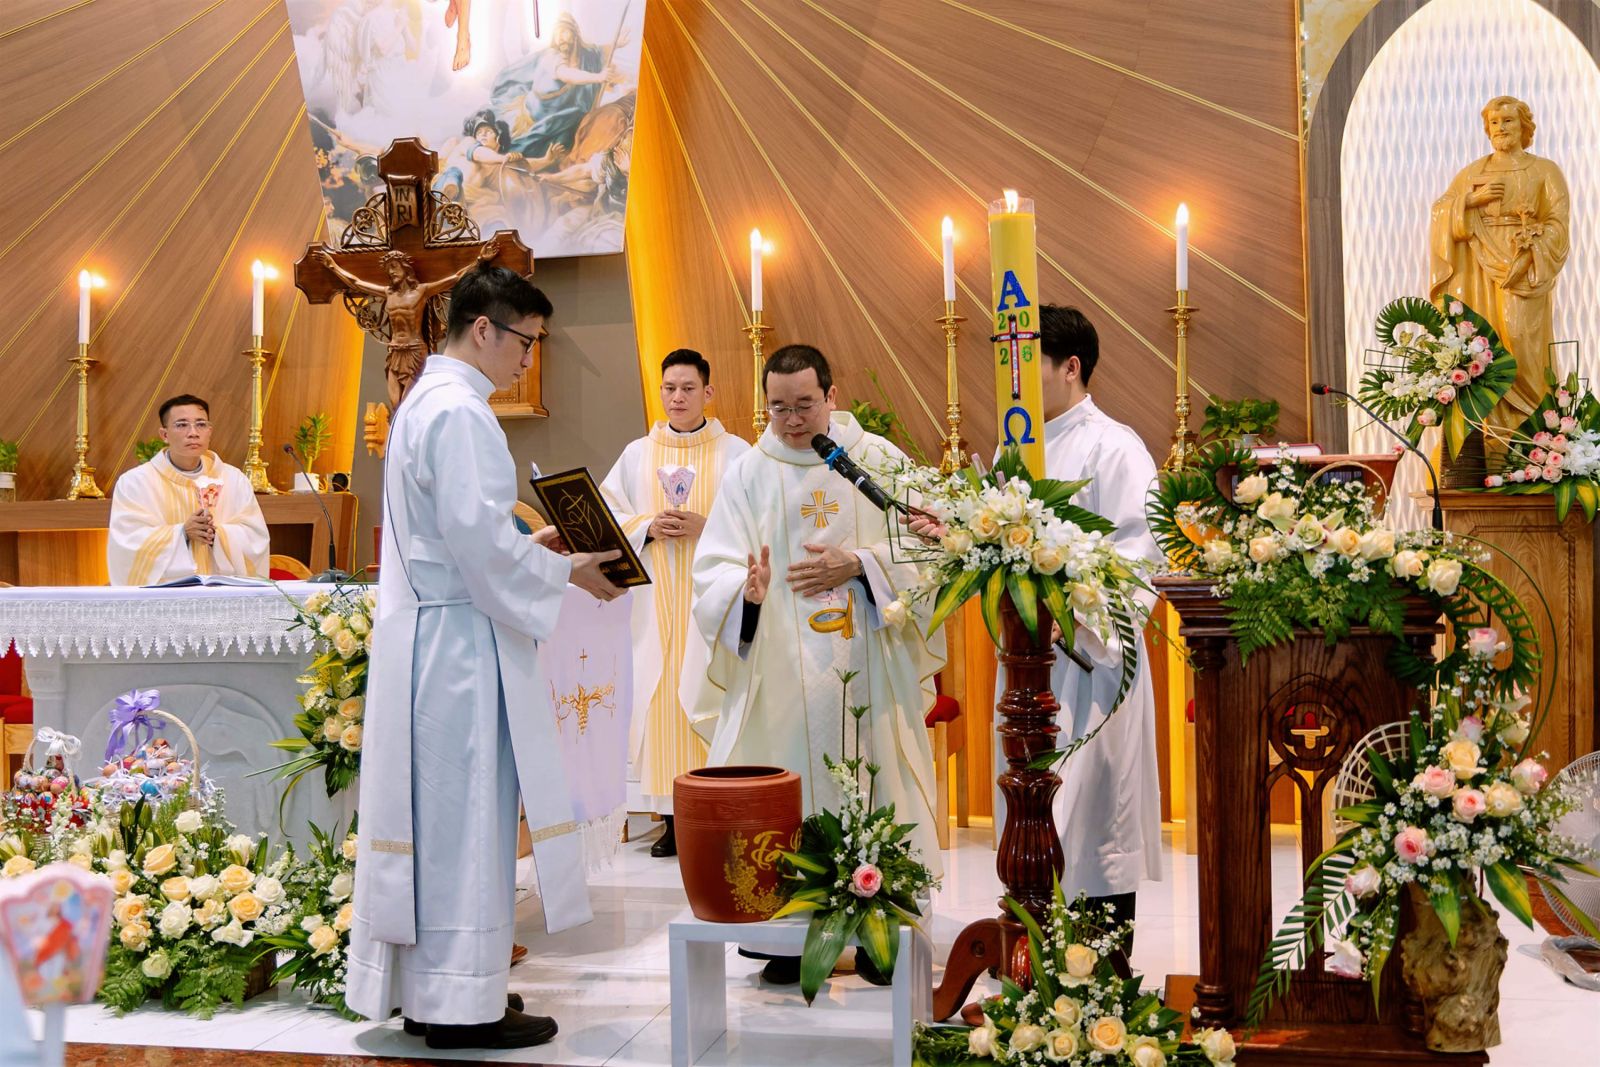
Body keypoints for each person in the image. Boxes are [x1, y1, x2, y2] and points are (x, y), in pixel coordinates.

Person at [345, 263, 624, 1050]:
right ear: (482, 330)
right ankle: (461, 1006)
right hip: (460, 652)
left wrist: (529, 546)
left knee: (441, 826)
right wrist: (570, 569)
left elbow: (466, 536)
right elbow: (478, 549)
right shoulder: (462, 412)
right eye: (526, 342)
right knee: (467, 823)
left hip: (432, 638)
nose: (528, 359)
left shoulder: (424, 402)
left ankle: (437, 991)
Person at [690, 345, 945, 981]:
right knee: (790, 789)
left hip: (868, 662)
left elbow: (931, 544)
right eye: (778, 408)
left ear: (831, 396)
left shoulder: (876, 460)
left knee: (877, 780)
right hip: (781, 668)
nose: (792, 420)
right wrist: (743, 594)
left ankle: (882, 932)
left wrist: (859, 563)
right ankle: (790, 940)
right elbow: (713, 569)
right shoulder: (749, 473)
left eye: (804, 404)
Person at [1001, 306, 1164, 939]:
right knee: (1030, 811)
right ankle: (1031, 949)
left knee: (1096, 821)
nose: (1014, 379)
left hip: (1090, 666)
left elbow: (1140, 554)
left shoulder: (1114, 447)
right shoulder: (1015, 448)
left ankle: (1099, 967)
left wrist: (1071, 611)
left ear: (1070, 367)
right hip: (1028, 671)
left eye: (1028, 363)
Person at [600, 349, 749, 857]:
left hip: (713, 604)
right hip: (654, 607)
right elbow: (610, 516)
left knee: (711, 695)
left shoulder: (736, 453)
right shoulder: (637, 454)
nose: (678, 397)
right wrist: (647, 526)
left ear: (708, 393)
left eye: (688, 388)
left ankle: (715, 816)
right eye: (669, 388)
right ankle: (671, 820)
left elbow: (759, 521)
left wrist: (709, 527)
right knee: (661, 700)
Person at [1430, 96, 1570, 436]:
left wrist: (1532, 246)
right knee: (1480, 344)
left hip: (1524, 267)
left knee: (1522, 342)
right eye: (1494, 122)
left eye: (1508, 120)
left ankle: (1533, 435)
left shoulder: (1545, 170)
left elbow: (1558, 221)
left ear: (1524, 126)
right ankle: (1488, 437)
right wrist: (1470, 200)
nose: (1500, 128)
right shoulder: (1473, 173)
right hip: (1477, 267)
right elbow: (1441, 210)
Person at [107, 395, 269, 585]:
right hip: (166, 595)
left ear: (210, 431)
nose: (193, 433)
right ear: (164, 435)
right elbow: (126, 543)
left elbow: (255, 538)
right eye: (182, 425)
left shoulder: (234, 479)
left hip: (222, 590)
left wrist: (218, 536)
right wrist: (182, 533)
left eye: (201, 424)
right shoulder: (135, 482)